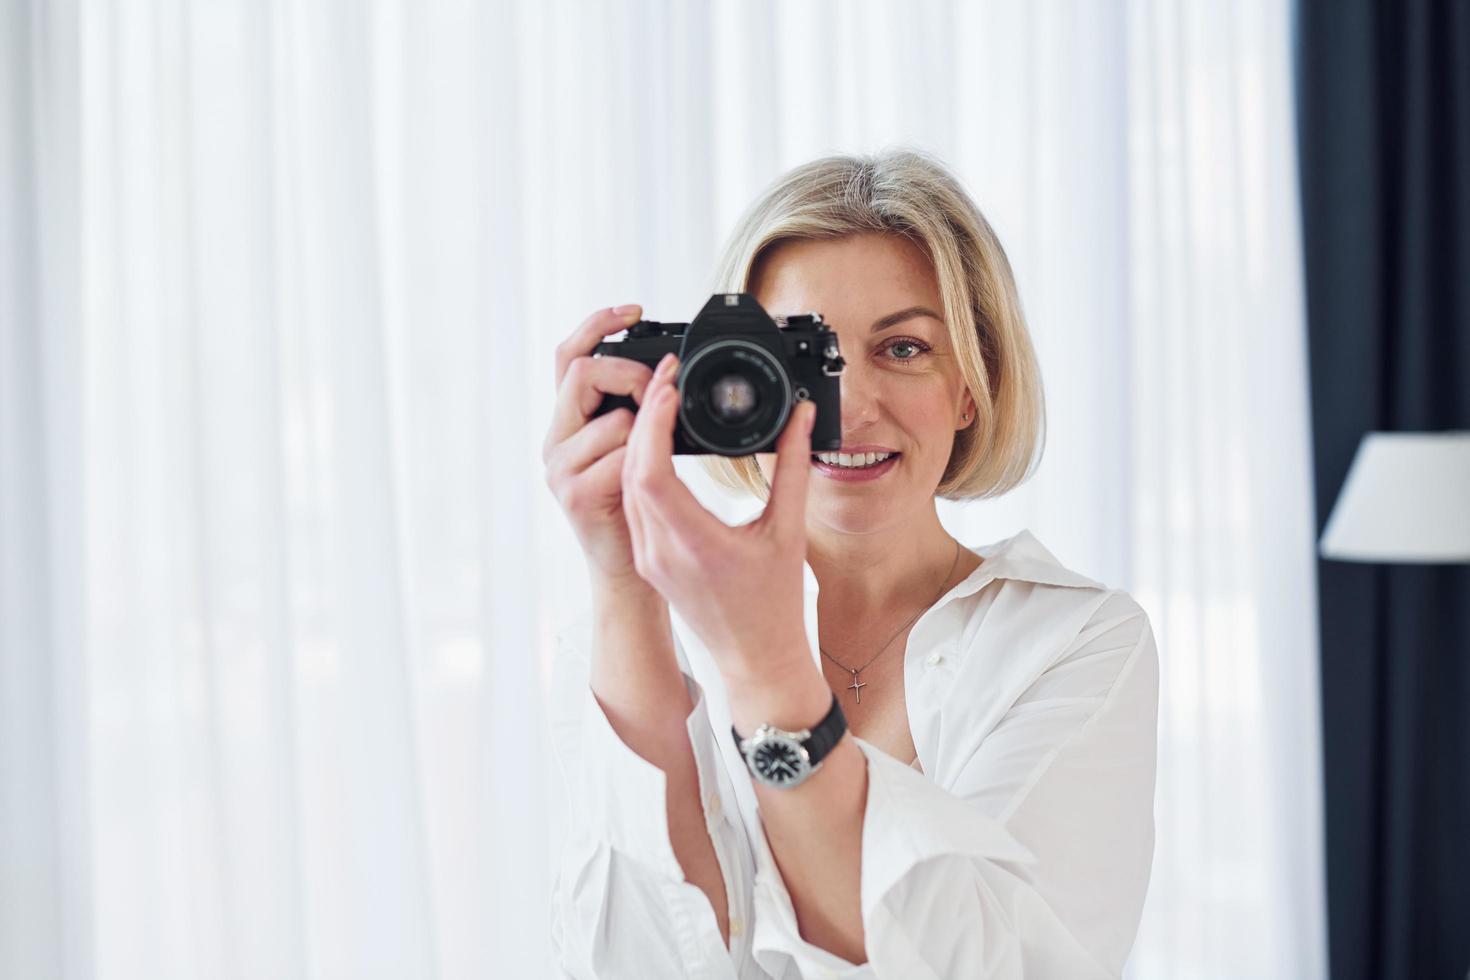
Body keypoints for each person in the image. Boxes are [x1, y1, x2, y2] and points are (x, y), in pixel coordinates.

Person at [541, 148, 1159, 979]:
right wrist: (621, 575)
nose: (848, 408)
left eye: (903, 349)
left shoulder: (1075, 641)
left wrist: (767, 668)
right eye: (804, 356)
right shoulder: (637, 639)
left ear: (972, 384)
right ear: (709, 379)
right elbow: (633, 961)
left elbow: (988, 966)